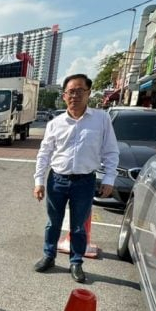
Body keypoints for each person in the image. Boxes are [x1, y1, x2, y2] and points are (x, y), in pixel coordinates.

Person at [32, 73, 119, 284]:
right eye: (71, 91)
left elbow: (110, 151)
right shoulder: (55, 123)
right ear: (64, 96)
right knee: (53, 222)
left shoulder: (101, 119)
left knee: (79, 225)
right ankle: (49, 256)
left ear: (89, 93)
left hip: (85, 181)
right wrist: (39, 181)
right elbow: (44, 153)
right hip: (58, 179)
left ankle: (76, 262)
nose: (75, 95)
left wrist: (109, 179)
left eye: (80, 91)